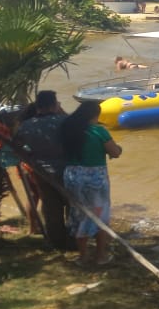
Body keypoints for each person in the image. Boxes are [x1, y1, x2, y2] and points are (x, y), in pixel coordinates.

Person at [62, 100, 122, 267]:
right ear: (96, 115)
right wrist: (119, 149)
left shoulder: (68, 130)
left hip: (72, 175)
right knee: (100, 214)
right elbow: (115, 152)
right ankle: (100, 256)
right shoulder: (99, 131)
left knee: (79, 214)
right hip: (95, 177)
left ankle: (83, 256)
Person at [15, 91, 73, 250]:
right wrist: (61, 111)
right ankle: (73, 240)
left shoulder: (27, 126)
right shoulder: (65, 121)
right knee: (72, 205)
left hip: (41, 172)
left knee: (51, 207)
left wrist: (32, 159)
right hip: (68, 170)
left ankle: (56, 242)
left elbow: (17, 147)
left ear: (37, 106)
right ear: (55, 104)